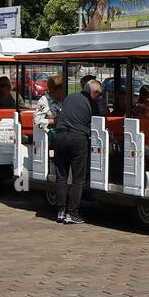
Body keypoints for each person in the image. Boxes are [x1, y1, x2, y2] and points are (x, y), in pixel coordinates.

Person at [53, 78, 102, 225]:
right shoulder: (92, 104)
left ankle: (61, 210)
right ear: (93, 92)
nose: (99, 98)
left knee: (61, 176)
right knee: (78, 178)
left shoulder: (69, 97)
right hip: (77, 138)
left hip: (60, 136)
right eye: (99, 95)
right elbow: (97, 124)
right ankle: (72, 212)